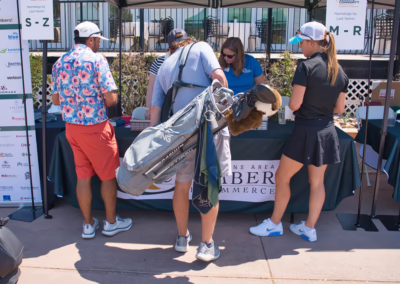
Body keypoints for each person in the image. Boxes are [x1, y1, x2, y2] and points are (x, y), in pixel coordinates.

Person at [249, 22, 348, 242]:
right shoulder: (338, 69)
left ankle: (275, 224)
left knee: (282, 177)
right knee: (317, 183)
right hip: (327, 131)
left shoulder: (306, 67)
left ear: (312, 42)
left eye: (301, 42)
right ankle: (309, 228)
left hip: (305, 131)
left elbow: (294, 105)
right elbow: (340, 109)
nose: (300, 47)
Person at [150, 30, 231, 262]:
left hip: (179, 135)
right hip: (207, 129)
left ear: (170, 47)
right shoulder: (202, 47)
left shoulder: (165, 63)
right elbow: (219, 78)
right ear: (190, 41)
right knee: (209, 183)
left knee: (182, 185)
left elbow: (156, 107)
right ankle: (206, 245)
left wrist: (156, 141)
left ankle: (182, 238)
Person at [51, 22, 132, 239]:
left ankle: (88, 225)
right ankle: (111, 223)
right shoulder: (98, 60)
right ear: (91, 40)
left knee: (83, 177)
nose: (98, 45)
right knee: (108, 177)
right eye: (98, 40)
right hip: (96, 128)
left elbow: (56, 100)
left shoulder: (60, 62)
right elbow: (110, 99)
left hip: (72, 129)